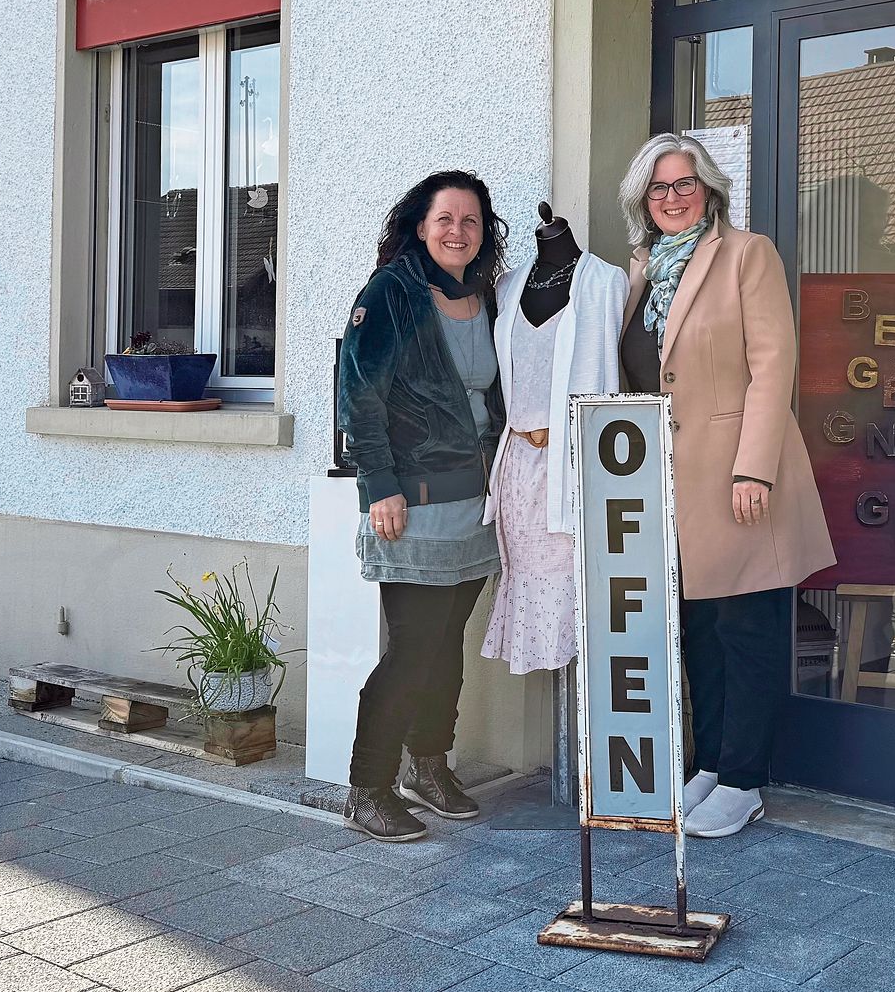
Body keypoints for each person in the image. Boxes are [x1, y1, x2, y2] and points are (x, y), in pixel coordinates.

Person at [617, 133, 836, 838]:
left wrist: (755, 468)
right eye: (660, 189)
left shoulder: (748, 254)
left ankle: (745, 779)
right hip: (674, 483)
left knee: (747, 628)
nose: (673, 198)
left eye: (685, 185)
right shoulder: (643, 270)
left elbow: (774, 365)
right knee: (699, 629)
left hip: (740, 474)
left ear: (709, 192)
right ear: (643, 203)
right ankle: (709, 762)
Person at [336, 170, 508, 841]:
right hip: (411, 504)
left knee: (446, 647)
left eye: (470, 221)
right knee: (411, 651)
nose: (457, 232)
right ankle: (367, 788)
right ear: (419, 225)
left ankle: (427, 765)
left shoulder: (484, 296)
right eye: (445, 219)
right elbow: (361, 395)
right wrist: (378, 484)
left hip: (474, 505)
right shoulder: (391, 293)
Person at [477, 205, 624, 674]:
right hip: (520, 467)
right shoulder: (507, 286)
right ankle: (562, 732)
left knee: (578, 591)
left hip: (578, 465)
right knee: (534, 584)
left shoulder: (607, 282)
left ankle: (581, 731)